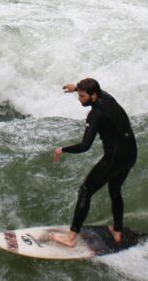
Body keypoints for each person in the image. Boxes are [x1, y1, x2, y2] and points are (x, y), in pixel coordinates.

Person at [48, 78, 138, 248]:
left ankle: (71, 238)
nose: (79, 99)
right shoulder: (108, 98)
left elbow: (84, 146)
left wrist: (63, 149)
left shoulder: (95, 114)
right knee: (115, 188)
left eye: (82, 96)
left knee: (85, 191)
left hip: (114, 158)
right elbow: (94, 90)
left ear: (93, 96)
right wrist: (76, 88)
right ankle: (117, 231)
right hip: (130, 154)